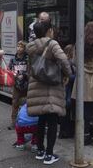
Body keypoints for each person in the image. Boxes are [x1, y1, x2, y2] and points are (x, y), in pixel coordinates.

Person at [26, 21, 71, 165]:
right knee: (52, 121)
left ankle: (40, 150)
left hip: (36, 84)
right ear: (49, 31)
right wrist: (68, 74)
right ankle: (49, 154)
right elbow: (63, 60)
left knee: (41, 120)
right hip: (50, 86)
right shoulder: (52, 44)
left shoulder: (31, 46)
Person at [7, 40, 29, 130]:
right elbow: (9, 70)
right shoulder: (13, 59)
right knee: (15, 103)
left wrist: (24, 75)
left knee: (27, 103)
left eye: (21, 47)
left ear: (24, 49)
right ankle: (14, 122)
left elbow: (30, 71)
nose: (19, 48)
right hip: (16, 85)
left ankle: (25, 121)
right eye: (18, 46)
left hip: (26, 84)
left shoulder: (28, 59)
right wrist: (13, 74)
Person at [58, 44, 76, 139]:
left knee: (65, 113)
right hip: (67, 91)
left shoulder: (65, 62)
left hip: (65, 91)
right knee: (67, 113)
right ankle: (66, 132)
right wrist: (79, 76)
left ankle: (64, 132)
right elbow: (69, 77)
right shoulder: (68, 63)